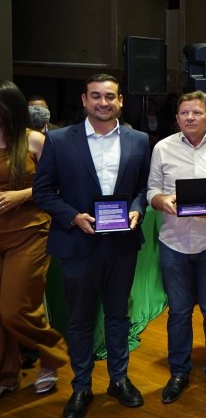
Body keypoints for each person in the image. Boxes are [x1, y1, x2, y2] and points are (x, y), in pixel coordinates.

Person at [33, 74, 150, 417]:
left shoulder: (139, 140)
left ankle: (119, 379)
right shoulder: (58, 140)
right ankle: (82, 386)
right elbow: (42, 192)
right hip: (77, 242)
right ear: (84, 100)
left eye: (110, 96)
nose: (103, 102)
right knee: (81, 320)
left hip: (122, 243)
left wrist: (137, 209)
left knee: (118, 315)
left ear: (121, 101)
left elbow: (144, 188)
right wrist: (73, 217)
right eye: (96, 96)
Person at [147, 90, 206, 405]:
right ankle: (178, 371)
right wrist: (163, 201)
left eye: (197, 113)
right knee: (179, 312)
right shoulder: (162, 148)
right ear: (177, 118)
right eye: (184, 113)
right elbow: (152, 190)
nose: (190, 118)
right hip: (173, 243)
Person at [0, 81, 69, 398]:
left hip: (30, 231)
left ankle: (52, 355)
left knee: (14, 308)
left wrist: (21, 195)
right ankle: (7, 372)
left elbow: (59, 187)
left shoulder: (34, 140)